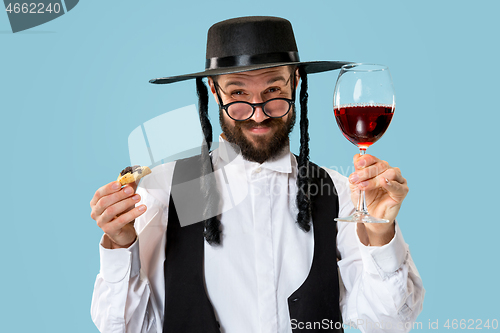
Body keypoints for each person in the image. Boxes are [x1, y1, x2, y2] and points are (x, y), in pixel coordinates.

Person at [90, 16, 424, 333]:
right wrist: (120, 245)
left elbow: (389, 324)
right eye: (238, 94)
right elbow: (124, 327)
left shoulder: (337, 194)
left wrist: (381, 234)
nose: (258, 113)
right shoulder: (166, 190)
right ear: (213, 89)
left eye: (273, 91)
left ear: (295, 83)